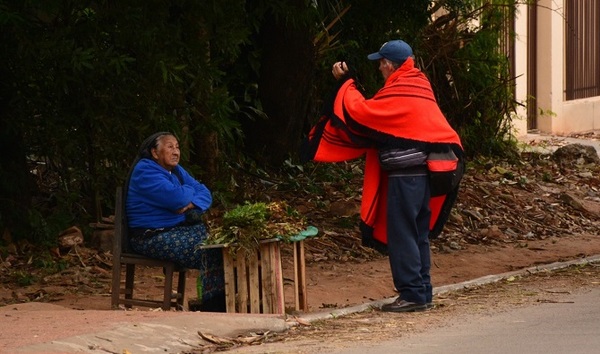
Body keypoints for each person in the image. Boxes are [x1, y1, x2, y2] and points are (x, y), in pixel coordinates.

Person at [303, 40, 463, 312]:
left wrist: (346, 82)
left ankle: (411, 294)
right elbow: (386, 118)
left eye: (380, 62)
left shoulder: (401, 88)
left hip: (406, 178)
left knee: (403, 235)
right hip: (425, 177)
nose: (378, 67)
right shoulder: (418, 84)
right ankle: (422, 292)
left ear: (390, 64)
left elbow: (364, 113)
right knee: (418, 234)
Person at [125, 131, 226, 311]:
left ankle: (227, 302)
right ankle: (214, 308)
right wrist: (186, 192)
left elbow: (205, 193)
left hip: (177, 229)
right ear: (155, 153)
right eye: (170, 147)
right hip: (151, 236)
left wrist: (189, 204)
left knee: (222, 242)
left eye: (177, 147)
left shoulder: (176, 170)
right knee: (209, 251)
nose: (176, 152)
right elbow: (177, 198)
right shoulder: (145, 171)